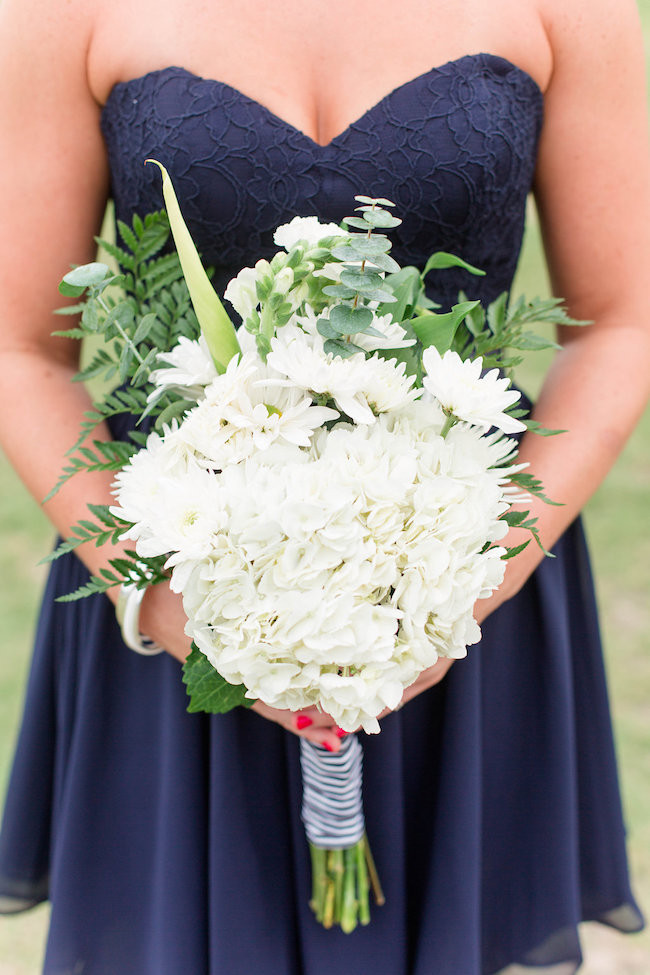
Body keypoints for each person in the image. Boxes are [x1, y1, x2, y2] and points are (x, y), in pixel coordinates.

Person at [0, 0, 649, 970]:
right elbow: (20, 350)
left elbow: (618, 320)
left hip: (459, 586)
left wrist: (464, 582)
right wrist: (185, 609)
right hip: (175, 588)